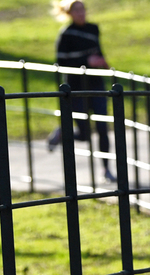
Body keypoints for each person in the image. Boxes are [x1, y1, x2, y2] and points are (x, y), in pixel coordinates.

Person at [48, 0, 115, 182]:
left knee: (102, 127)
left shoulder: (93, 29)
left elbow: (97, 52)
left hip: (96, 84)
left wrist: (103, 63)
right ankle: (63, 132)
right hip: (76, 87)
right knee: (84, 134)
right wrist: (86, 60)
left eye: (82, 9)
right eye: (76, 10)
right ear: (69, 13)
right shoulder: (66, 34)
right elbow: (61, 61)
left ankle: (106, 169)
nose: (81, 13)